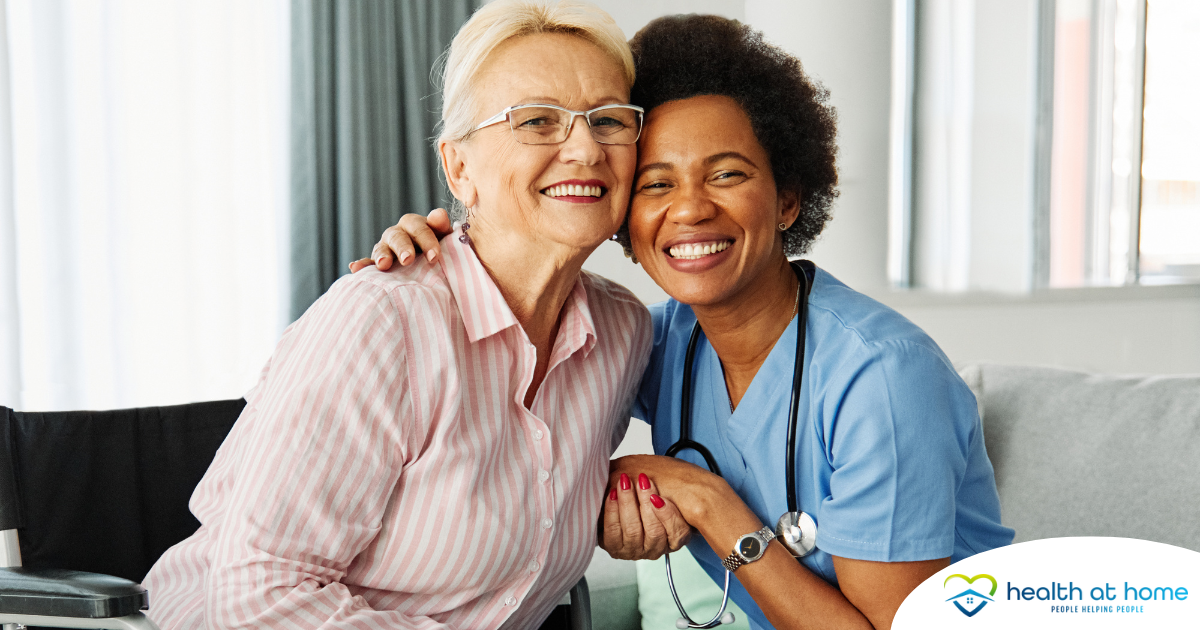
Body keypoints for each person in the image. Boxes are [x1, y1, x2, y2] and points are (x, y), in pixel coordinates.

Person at [354, 13, 1014, 630]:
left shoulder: (882, 379)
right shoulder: (654, 341)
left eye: (726, 174)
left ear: (787, 200)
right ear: (625, 223)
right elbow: (521, 389)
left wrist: (705, 503)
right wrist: (437, 253)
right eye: (657, 184)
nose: (691, 210)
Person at [141, 2, 692, 628]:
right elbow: (258, 594)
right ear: (458, 167)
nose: (586, 148)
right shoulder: (382, 322)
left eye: (609, 120)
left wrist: (615, 504)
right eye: (537, 121)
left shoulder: (624, 333)